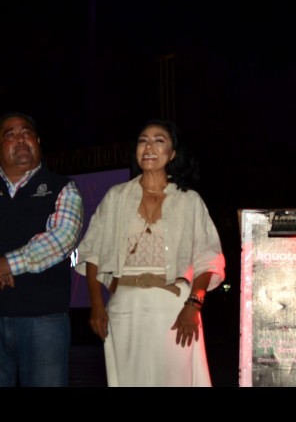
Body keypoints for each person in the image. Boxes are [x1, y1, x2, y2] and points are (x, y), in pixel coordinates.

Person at [75, 118, 225, 387]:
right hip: (125, 308)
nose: (149, 146)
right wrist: (96, 306)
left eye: (159, 140)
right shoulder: (116, 197)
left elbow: (208, 258)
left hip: (175, 308)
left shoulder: (189, 200)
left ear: (172, 153)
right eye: (143, 140)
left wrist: (193, 305)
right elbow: (92, 252)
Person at [0, 111, 84, 387]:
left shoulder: (62, 188)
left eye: (26, 133)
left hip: (44, 321)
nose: (20, 139)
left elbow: (62, 238)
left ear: (37, 141)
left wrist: (7, 264)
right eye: (10, 134)